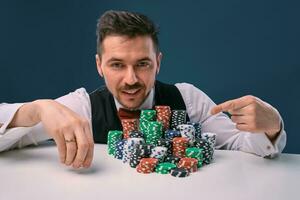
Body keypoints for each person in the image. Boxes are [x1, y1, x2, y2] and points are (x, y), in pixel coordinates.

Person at [0, 10, 286, 169]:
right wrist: (36, 108)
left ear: (158, 63)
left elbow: (245, 146)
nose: (131, 79)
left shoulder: (187, 99)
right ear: (99, 66)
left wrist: (271, 126)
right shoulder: (81, 107)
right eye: (116, 65)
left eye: (143, 64)